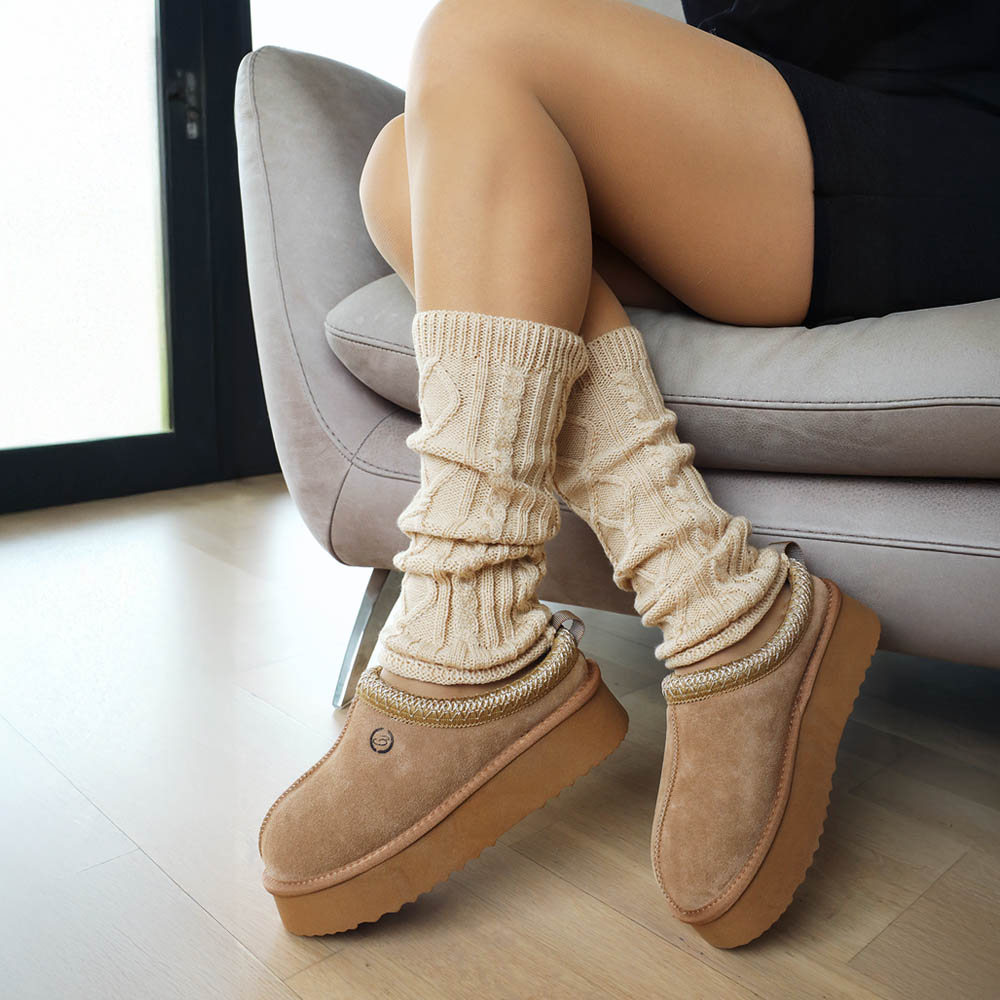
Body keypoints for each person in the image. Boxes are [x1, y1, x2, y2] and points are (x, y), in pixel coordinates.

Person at [254, 0, 999, 947]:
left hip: (947, 144)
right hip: (799, 129)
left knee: (480, 33)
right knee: (405, 168)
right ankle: (717, 601)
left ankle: (465, 632)